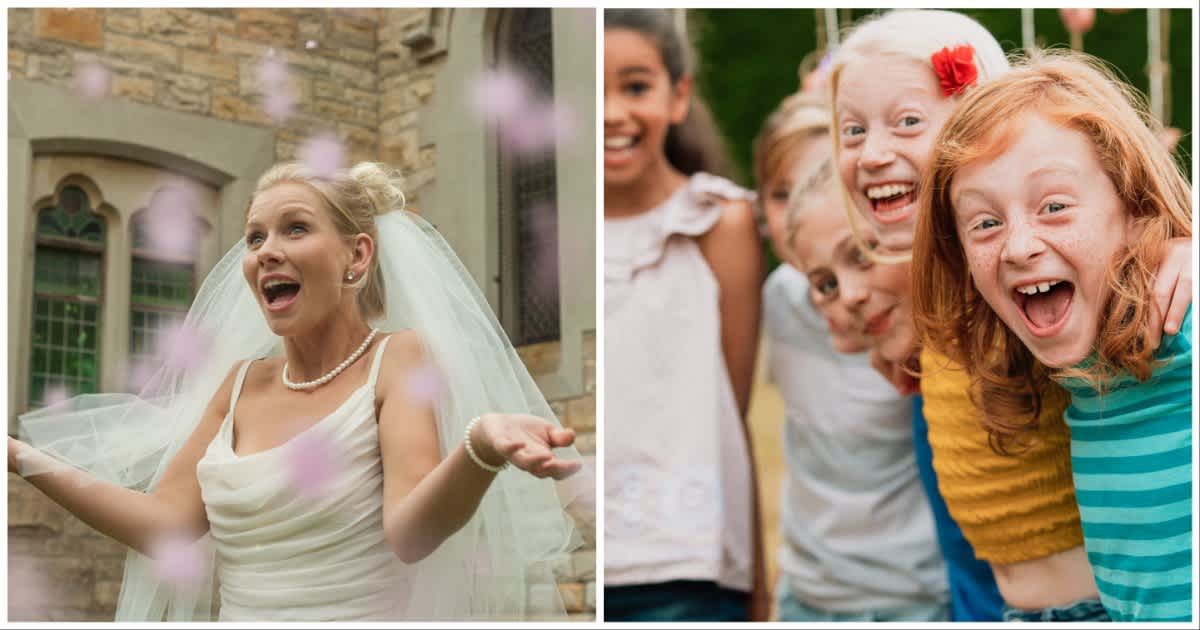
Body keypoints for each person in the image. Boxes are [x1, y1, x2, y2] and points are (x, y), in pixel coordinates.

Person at [9, 161, 590, 621]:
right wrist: (15, 456)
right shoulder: (236, 386)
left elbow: (411, 533)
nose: (266, 251)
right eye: (255, 237)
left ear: (356, 254)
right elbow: (166, 525)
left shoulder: (399, 359)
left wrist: (479, 448)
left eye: (295, 228)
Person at [827, 9, 1091, 622]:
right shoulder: (931, 293)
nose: (872, 153)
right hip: (1010, 608)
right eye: (852, 130)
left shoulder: (1021, 266)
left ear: (982, 127)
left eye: (908, 122)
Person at [913, 52, 1193, 622]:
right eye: (985, 224)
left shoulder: (1181, 318)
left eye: (1055, 207)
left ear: (1135, 207)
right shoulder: (1070, 359)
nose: (1018, 247)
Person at [754, 92, 948, 621]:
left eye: (820, 180)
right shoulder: (779, 299)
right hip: (811, 593)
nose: (800, 206)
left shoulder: (917, 313)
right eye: (780, 193)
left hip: (915, 594)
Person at [602, 8, 766, 621]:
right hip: (588, 553)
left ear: (678, 96)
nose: (613, 113)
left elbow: (734, 411)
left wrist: (759, 588)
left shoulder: (720, 223)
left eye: (636, 87)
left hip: (689, 567)